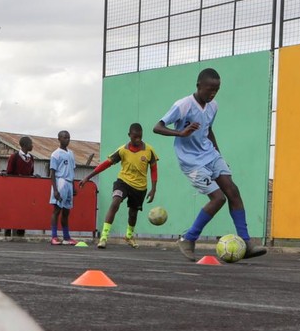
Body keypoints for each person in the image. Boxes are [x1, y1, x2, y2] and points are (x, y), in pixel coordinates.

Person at [152, 67, 267, 261]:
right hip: (191, 162)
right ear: (198, 86)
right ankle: (188, 239)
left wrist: (219, 156)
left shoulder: (213, 106)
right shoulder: (183, 105)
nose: (212, 93)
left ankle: (246, 243)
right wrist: (180, 133)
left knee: (233, 191)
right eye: (209, 89)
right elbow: (157, 127)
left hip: (210, 155)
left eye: (216, 89)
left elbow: (208, 130)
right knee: (218, 198)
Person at [80, 123, 159, 249]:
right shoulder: (123, 150)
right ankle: (104, 237)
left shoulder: (149, 151)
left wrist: (154, 188)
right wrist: (88, 177)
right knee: (115, 202)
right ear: (129, 135)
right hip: (123, 182)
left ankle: (129, 236)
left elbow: (154, 169)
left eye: (140, 137)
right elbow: (106, 164)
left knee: (133, 213)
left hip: (139, 187)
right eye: (135, 137)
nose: (138, 139)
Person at [49, 130, 77, 245]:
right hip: (60, 182)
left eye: (68, 137)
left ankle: (66, 237)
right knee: (57, 210)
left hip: (69, 183)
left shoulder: (71, 153)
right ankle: (54, 237)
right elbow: (52, 173)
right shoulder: (55, 154)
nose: (67, 139)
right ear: (59, 139)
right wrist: (55, 190)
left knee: (66, 211)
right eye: (65, 137)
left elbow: (72, 170)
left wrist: (73, 186)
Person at [4, 136, 36, 236]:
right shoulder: (14, 157)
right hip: (14, 190)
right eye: (31, 144)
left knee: (23, 212)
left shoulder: (31, 158)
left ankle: (20, 234)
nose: (32, 146)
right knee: (12, 212)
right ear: (25, 145)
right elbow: (9, 172)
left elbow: (30, 173)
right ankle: (8, 233)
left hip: (25, 191)